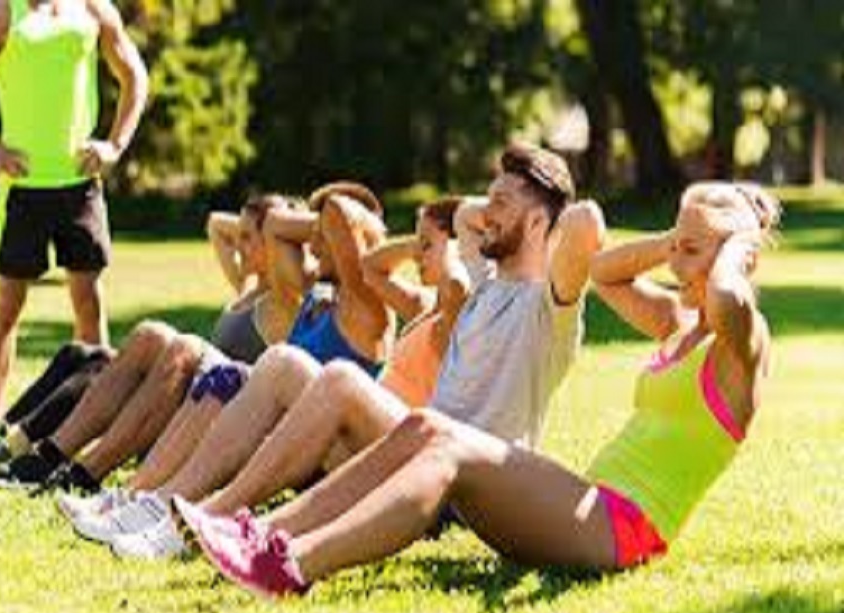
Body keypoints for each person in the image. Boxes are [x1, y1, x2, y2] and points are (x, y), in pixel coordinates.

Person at [178, 181, 779, 598]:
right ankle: (264, 533)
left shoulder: (740, 345)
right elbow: (604, 271)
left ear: (737, 258)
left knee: (447, 452)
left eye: (693, 251)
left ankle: (293, 566)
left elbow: (728, 296)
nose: (675, 264)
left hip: (627, 530)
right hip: (592, 502)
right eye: (676, 247)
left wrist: (735, 249)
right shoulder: (678, 322)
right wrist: (682, 235)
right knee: (425, 427)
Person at [78, 142, 606, 559]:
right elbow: (465, 216)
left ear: (538, 224)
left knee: (341, 380)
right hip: (410, 447)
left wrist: (545, 217)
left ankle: (188, 525)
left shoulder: (549, 314)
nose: (484, 212)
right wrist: (505, 205)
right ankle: (158, 503)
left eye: (502, 203)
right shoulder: (484, 279)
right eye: (489, 199)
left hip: (465, 483)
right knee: (282, 363)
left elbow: (584, 224)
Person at [64, 196, 473, 556]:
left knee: (271, 366)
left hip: (371, 443)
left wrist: (446, 242)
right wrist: (422, 240)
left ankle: (175, 509)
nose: (311, 246)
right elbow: (366, 261)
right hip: (336, 430)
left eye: (426, 245)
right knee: (229, 375)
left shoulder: (398, 308)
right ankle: (149, 499)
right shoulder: (408, 307)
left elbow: (367, 259)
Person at [0, 183, 393, 492]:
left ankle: (92, 475)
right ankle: (59, 461)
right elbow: (268, 228)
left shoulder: (365, 308)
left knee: (172, 350)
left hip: (296, 437)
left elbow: (305, 220)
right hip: (251, 412)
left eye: (322, 237)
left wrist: (350, 223)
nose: (312, 247)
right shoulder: (317, 301)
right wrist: (324, 225)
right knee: (150, 336)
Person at [0, 195, 297, 466]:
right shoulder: (247, 288)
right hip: (191, 388)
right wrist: (254, 226)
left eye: (250, 238)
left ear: (274, 246)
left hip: (201, 406)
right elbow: (216, 225)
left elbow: (239, 234)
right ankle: (3, 432)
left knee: (104, 364)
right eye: (242, 235)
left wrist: (274, 227)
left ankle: (15, 444)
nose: (239, 243)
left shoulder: (281, 303)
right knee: (81, 354)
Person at [0, 0, 148, 421]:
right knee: (8, 306)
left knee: (88, 302)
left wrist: (115, 145)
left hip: (79, 184)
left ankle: (91, 416)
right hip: (23, 188)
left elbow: (134, 77)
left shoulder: (93, 9)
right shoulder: (1, 14)